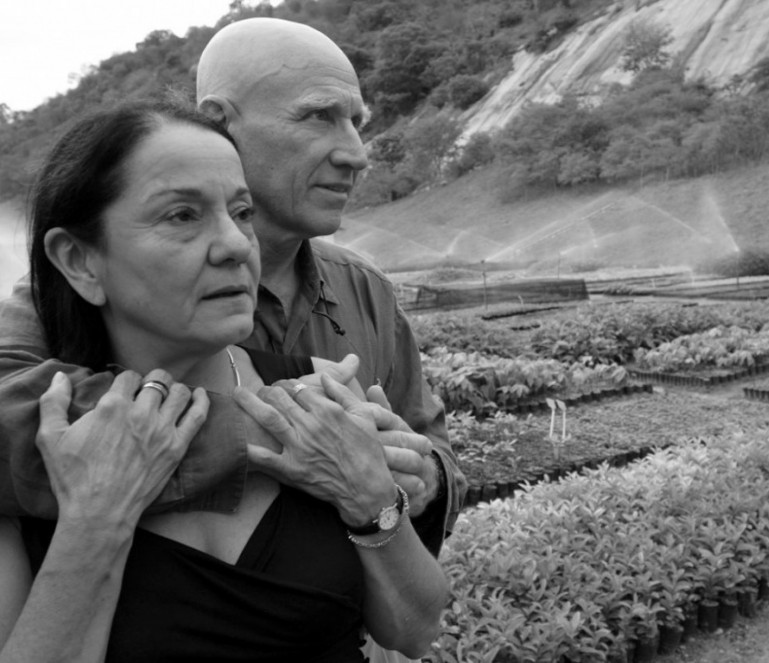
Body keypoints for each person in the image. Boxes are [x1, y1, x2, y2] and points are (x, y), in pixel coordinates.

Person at [0, 100, 449, 662]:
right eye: (181, 215)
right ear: (80, 261)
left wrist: (374, 502)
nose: (237, 245)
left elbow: (415, 631)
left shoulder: (324, 395)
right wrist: (97, 524)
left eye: (241, 213)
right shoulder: (37, 452)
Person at [0, 17, 465, 557]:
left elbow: (434, 451)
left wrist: (420, 474)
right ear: (219, 123)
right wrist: (272, 431)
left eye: (357, 122)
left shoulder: (366, 290)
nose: (356, 153)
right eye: (319, 116)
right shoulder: (86, 289)